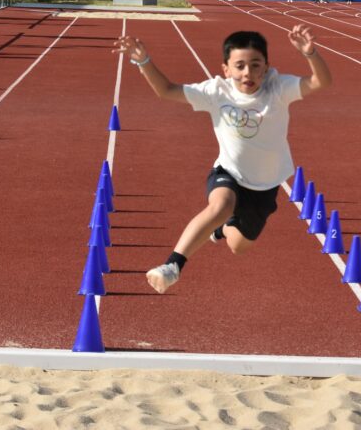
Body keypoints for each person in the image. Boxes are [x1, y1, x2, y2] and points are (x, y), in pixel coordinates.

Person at [112, 25, 332, 294]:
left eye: (255, 65)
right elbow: (166, 90)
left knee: (239, 246)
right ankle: (172, 266)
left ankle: (220, 230)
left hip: (265, 185)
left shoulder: (278, 88)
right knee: (222, 205)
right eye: (239, 66)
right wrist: (144, 61)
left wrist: (310, 54)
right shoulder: (216, 92)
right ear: (226, 69)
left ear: (266, 68)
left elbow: (321, 82)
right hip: (229, 172)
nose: (247, 72)